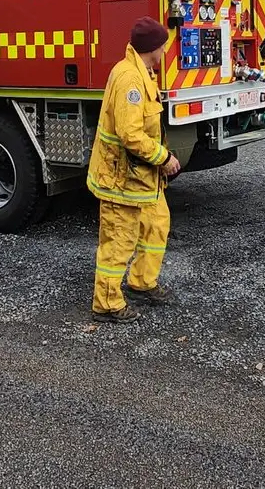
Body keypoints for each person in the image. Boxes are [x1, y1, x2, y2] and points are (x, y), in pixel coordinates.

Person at [87, 17, 182, 323]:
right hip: (121, 179)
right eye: (163, 45)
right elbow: (131, 135)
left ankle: (142, 281)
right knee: (119, 240)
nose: (166, 50)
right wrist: (164, 158)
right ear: (154, 48)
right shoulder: (130, 80)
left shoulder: (142, 73)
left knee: (157, 224)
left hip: (141, 177)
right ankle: (107, 303)